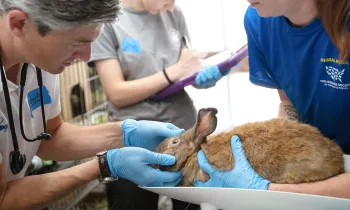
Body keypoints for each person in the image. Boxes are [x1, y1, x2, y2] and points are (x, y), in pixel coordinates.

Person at [0, 1, 198, 209]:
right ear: (19, 24)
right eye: (76, 44)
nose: (86, 57)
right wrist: (104, 165)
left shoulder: (41, 62)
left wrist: (123, 134)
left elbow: (50, 136)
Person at [194, 0, 350, 199]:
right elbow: (289, 100)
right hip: (321, 164)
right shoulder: (259, 21)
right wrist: (279, 150)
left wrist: (268, 190)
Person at [89, 0, 228, 209]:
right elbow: (117, 92)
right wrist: (173, 72)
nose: (171, 6)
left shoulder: (173, 12)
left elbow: (185, 66)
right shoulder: (108, 20)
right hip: (133, 139)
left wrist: (200, 77)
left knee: (189, 204)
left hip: (181, 134)